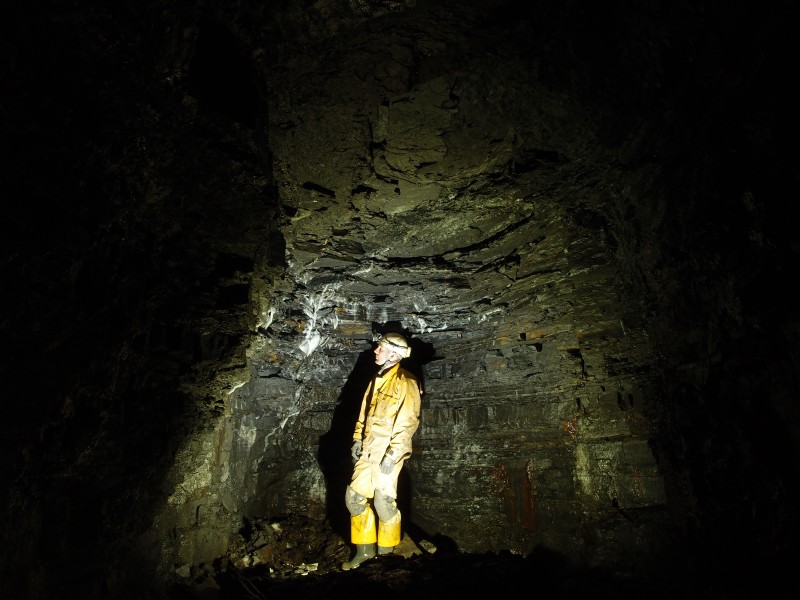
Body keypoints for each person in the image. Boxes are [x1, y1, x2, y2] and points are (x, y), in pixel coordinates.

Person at [341, 332, 422, 570]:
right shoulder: (376, 380)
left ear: (394, 354)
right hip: (368, 449)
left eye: (380, 348)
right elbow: (364, 414)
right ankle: (365, 551)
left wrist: (394, 454)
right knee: (354, 498)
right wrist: (357, 439)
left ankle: (387, 555)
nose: (375, 351)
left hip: (387, 452)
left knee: (384, 503)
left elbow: (408, 422)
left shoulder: (407, 382)